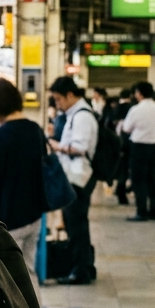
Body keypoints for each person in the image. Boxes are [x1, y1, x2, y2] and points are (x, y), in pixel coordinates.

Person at [0, 79, 48, 278]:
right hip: (34, 214)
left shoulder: (0, 135)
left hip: (9, 217)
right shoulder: (35, 129)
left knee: (8, 276)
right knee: (29, 272)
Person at [49, 76, 99, 284]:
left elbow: (80, 148)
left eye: (59, 99)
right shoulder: (74, 114)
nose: (57, 104)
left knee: (76, 225)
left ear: (71, 95)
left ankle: (80, 271)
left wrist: (56, 146)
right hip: (74, 176)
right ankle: (84, 266)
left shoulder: (82, 116)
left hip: (79, 177)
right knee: (75, 224)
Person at [121, 81, 155, 221]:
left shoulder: (136, 109)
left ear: (138, 93)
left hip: (138, 147)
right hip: (153, 147)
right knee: (152, 179)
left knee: (139, 180)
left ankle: (142, 211)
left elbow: (126, 128)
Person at [112, 88, 134, 204]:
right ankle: (123, 191)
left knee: (122, 168)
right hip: (129, 142)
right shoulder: (132, 108)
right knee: (127, 169)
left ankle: (120, 191)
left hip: (118, 142)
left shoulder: (116, 108)